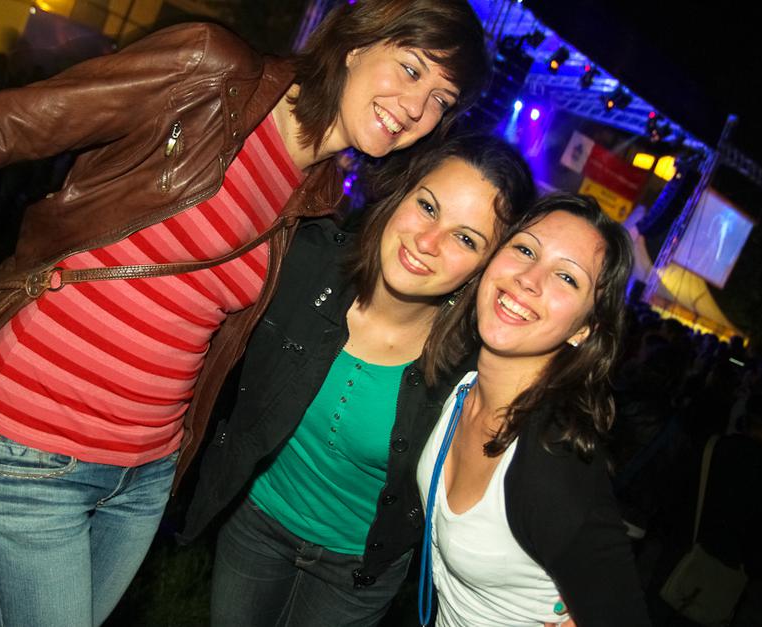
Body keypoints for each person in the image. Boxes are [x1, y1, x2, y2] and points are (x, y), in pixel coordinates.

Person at [0, 1, 488, 624]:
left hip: (142, 476)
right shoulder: (212, 73)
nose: (416, 107)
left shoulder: (317, 200)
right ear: (357, 45)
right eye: (411, 68)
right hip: (32, 440)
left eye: (440, 99)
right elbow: (1, 126)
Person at [181, 132, 535, 626]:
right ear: (400, 195)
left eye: (465, 238)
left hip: (356, 574)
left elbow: (519, 488)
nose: (427, 242)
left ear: (485, 269)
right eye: (427, 207)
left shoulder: (473, 370)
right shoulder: (306, 265)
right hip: (255, 523)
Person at [417, 193, 650, 626]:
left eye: (567, 277)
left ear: (584, 329)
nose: (529, 279)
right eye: (525, 250)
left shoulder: (553, 463)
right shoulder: (460, 384)